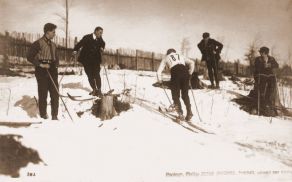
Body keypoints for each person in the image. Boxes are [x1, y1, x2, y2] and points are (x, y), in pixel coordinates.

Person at [27, 23, 59, 120]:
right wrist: (41, 64)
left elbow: (56, 57)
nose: (54, 34)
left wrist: (56, 64)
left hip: (52, 69)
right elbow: (29, 57)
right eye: (53, 32)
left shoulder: (53, 45)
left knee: (55, 93)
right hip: (41, 70)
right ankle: (43, 115)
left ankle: (54, 116)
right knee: (43, 93)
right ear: (47, 32)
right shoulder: (38, 43)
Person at [157, 48, 195, 121]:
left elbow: (159, 71)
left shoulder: (166, 57)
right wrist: (190, 73)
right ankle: (189, 111)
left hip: (176, 73)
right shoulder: (180, 55)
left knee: (175, 94)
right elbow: (192, 62)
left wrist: (160, 81)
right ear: (174, 52)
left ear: (168, 53)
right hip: (185, 72)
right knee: (185, 94)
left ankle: (180, 113)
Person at [72, 26, 105, 96]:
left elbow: (103, 43)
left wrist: (102, 47)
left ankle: (99, 90)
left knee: (97, 74)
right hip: (86, 60)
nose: (101, 34)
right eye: (100, 33)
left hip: (96, 60)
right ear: (96, 31)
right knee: (90, 75)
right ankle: (94, 89)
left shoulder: (100, 39)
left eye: (101, 33)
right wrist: (75, 50)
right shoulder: (87, 37)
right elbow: (79, 44)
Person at [254, 46, 279, 111]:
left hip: (270, 76)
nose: (261, 54)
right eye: (261, 52)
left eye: (262, 52)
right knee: (262, 89)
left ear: (266, 53)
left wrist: (270, 65)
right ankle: (262, 102)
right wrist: (263, 65)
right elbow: (256, 67)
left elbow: (277, 65)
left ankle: (269, 102)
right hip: (261, 76)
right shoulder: (258, 59)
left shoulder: (271, 59)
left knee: (271, 88)